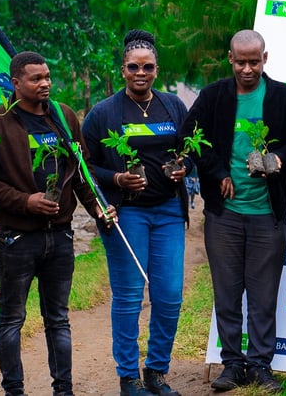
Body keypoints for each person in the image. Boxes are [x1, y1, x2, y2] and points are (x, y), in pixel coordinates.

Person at [0, 51, 108, 396]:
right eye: (36, 78)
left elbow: (80, 169)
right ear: (16, 83)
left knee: (59, 320)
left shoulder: (63, 117)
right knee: (12, 319)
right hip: (15, 238)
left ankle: (63, 389)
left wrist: (97, 207)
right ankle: (14, 390)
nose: (45, 83)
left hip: (60, 237)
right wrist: (26, 201)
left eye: (47, 76)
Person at [179, 30, 286, 393]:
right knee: (227, 293)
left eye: (254, 61)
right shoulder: (214, 95)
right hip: (224, 215)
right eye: (241, 62)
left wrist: (278, 157)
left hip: (267, 213)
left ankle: (261, 366)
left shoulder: (283, 97)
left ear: (266, 58)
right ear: (230, 59)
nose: (247, 69)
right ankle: (232, 364)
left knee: (263, 297)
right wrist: (217, 173)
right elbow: (190, 135)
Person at [81, 31, 191, 396]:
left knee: (170, 294)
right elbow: (84, 166)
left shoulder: (173, 107)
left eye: (147, 67)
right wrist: (116, 178)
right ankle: (128, 377)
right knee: (129, 297)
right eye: (133, 67)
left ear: (157, 69)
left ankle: (156, 371)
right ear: (123, 69)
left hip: (168, 212)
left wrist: (181, 167)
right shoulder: (103, 114)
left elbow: (188, 151)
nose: (140, 73)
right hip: (126, 214)